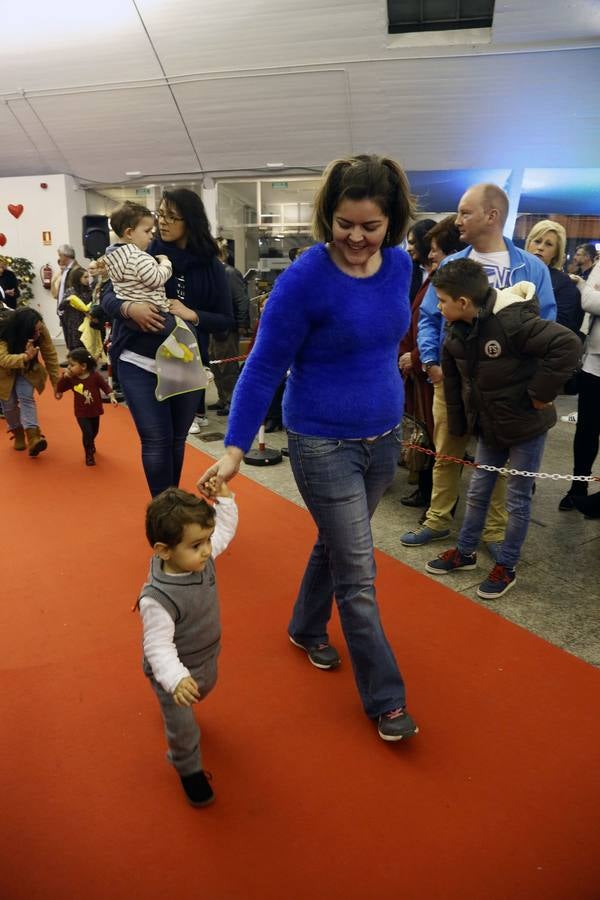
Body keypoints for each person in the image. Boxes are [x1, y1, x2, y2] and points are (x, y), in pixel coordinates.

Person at [198, 153, 420, 743]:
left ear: (391, 222)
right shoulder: (304, 279)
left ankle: (303, 625)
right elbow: (264, 365)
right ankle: (387, 700)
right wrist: (234, 448)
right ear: (328, 216)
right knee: (359, 569)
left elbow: (385, 340)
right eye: (344, 223)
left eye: (370, 226)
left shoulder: (400, 267)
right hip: (321, 442)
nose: (355, 236)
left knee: (337, 543)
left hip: (383, 438)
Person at [401, 182, 557, 551]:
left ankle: (494, 531)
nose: (458, 220)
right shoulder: (453, 264)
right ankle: (438, 519)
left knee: (499, 462)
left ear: (492, 215)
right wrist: (432, 362)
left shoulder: (529, 268)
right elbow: (427, 318)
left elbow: (550, 327)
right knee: (446, 452)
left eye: (465, 212)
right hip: (452, 380)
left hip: (505, 387)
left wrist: (535, 384)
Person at [424, 258, 579, 598]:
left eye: (441, 300)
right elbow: (453, 383)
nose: (438, 306)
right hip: (490, 426)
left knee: (518, 499)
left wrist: (540, 394)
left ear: (463, 302)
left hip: (526, 426)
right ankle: (464, 553)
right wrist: (461, 426)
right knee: (478, 490)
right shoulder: (455, 332)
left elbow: (567, 345)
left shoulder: (512, 321)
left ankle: (506, 566)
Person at [100, 188, 234, 496]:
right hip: (136, 358)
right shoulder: (141, 248)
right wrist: (128, 308)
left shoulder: (211, 266)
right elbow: (107, 296)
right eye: (160, 214)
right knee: (156, 440)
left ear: (191, 221)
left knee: (175, 440)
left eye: (171, 217)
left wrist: (192, 314)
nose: (163, 223)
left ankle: (172, 506)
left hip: (184, 361)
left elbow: (227, 321)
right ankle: (165, 514)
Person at [135, 483, 238, 808]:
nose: (207, 549)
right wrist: (175, 678)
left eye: (205, 541)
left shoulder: (200, 560)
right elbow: (158, 646)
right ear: (165, 551)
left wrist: (225, 499)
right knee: (183, 724)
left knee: (204, 689)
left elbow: (223, 533)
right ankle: (187, 768)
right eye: (196, 545)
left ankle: (185, 697)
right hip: (174, 670)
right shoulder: (158, 599)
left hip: (207, 654)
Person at [399, 215, 466, 508]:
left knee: (441, 443)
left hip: (435, 373)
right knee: (429, 435)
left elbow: (438, 329)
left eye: (430, 246)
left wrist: (420, 359)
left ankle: (438, 504)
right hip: (425, 369)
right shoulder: (423, 277)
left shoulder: (447, 283)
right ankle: (429, 495)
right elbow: (423, 323)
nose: (427, 253)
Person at [558, 259, 600, 516]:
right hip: (594, 362)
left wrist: (594, 293)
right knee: (586, 430)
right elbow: (589, 301)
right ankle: (578, 487)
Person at [90, 202, 173, 312]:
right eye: (147, 231)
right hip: (154, 312)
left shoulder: (114, 258)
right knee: (187, 328)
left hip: (130, 320)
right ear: (129, 233)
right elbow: (156, 280)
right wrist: (166, 263)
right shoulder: (139, 258)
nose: (151, 235)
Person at [0, 307, 60, 456]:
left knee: (26, 396)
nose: (38, 333)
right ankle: (18, 433)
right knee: (9, 405)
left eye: (40, 329)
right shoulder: (3, 330)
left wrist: (56, 383)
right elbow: (3, 359)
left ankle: (34, 437)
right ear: (24, 328)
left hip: (28, 369)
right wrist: (25, 357)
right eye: (35, 331)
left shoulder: (39, 327)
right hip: (4, 371)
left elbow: (49, 354)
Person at [206, 238, 250, 417]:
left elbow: (241, 300)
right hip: (211, 326)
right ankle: (223, 398)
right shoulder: (212, 272)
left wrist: (241, 324)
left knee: (228, 367)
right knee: (215, 365)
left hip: (226, 328)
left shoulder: (229, 273)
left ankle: (232, 401)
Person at [55, 347, 117, 466]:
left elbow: (105, 386)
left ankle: (91, 442)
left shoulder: (95, 376)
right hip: (81, 412)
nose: (69, 367)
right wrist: (64, 378)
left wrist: (111, 396)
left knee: (94, 431)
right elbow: (60, 388)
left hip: (95, 410)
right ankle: (89, 454)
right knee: (87, 432)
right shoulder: (72, 378)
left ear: (83, 366)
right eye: (68, 365)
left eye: (72, 365)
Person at [525, 220, 583, 334]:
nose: (540, 247)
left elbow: (562, 324)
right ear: (528, 244)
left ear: (556, 253)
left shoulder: (564, 283)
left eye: (548, 244)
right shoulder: (513, 270)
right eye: (537, 241)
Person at [54, 244, 83, 351]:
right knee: (68, 335)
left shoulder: (77, 271)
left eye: (60, 255)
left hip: (72, 310)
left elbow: (78, 292)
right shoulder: (66, 270)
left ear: (65, 256)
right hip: (65, 309)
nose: (59, 258)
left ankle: (77, 358)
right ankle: (71, 356)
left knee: (74, 336)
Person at [58, 267, 90, 352]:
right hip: (73, 324)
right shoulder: (71, 291)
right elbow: (60, 307)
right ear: (78, 278)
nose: (88, 279)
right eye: (85, 277)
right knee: (75, 347)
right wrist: (68, 300)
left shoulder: (90, 291)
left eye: (88, 277)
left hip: (86, 323)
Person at [407, 218, 436, 302]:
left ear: (426, 241)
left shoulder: (446, 268)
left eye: (412, 243)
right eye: (409, 243)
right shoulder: (409, 270)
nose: (408, 248)